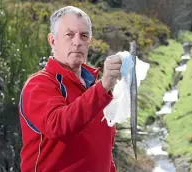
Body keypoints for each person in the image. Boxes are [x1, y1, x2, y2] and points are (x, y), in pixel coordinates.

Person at [19, 6, 122, 172]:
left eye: (84, 35)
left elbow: (104, 153)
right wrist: (103, 87)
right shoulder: (39, 84)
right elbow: (59, 127)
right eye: (69, 34)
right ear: (52, 40)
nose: (77, 42)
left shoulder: (95, 87)